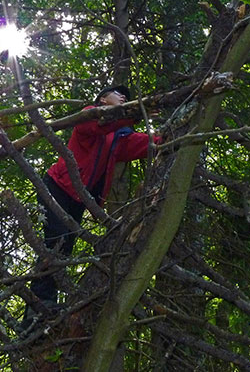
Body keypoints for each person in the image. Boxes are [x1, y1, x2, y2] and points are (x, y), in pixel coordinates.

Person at [24, 85, 158, 324]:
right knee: (54, 244)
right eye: (118, 94)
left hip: (78, 199)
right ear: (103, 99)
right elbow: (95, 125)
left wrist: (167, 138)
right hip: (57, 186)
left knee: (63, 249)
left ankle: (44, 309)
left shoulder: (119, 136)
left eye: (126, 97)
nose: (124, 97)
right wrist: (133, 112)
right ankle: (38, 309)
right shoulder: (90, 114)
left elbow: (143, 143)